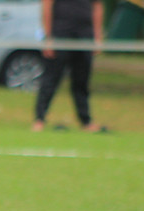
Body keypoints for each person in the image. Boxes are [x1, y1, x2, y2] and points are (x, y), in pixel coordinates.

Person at [32, 0, 106, 132]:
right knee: (51, 79)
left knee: (81, 81)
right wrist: (48, 38)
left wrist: (97, 38)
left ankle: (86, 121)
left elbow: (97, 6)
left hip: (84, 35)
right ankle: (39, 119)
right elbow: (47, 5)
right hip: (60, 34)